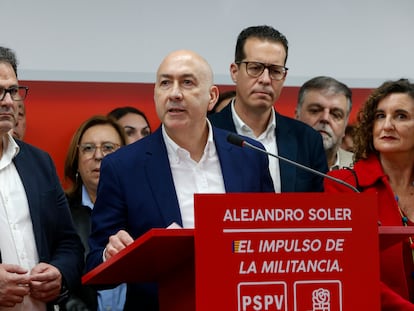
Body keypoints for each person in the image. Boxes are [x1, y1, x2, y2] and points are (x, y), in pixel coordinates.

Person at [86, 49, 275, 310]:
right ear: (155, 95)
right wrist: (111, 253)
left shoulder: (249, 155)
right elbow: (95, 263)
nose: (174, 93)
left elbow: (271, 239)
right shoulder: (123, 166)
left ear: (212, 97)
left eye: (187, 82)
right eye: (165, 83)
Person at [0, 46, 84, 309]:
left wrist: (59, 273)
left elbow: (69, 244)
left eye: (13, 90)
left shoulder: (39, 163)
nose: (8, 101)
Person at [324, 78, 414, 309]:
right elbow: (347, 267)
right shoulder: (344, 186)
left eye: (401, 116)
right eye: (380, 116)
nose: (387, 126)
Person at [208, 25, 328, 192]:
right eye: (255, 68)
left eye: (275, 71)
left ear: (283, 77)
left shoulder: (307, 140)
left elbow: (320, 209)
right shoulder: (206, 132)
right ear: (235, 72)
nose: (265, 79)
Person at [64, 115, 127, 311]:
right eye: (88, 148)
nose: (98, 156)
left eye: (108, 147)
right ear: (77, 159)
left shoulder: (140, 208)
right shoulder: (60, 211)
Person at [295, 76, 354, 170]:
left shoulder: (360, 168)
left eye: (335, 114)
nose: (325, 118)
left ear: (345, 125)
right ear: (297, 116)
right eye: (315, 110)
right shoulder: (274, 160)